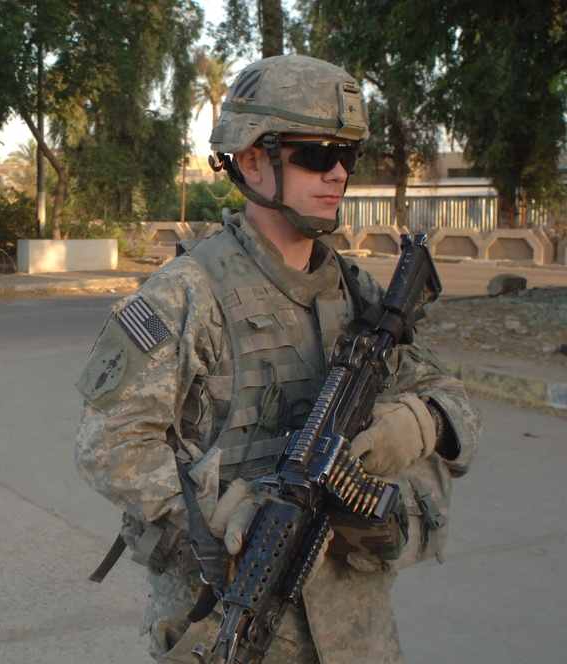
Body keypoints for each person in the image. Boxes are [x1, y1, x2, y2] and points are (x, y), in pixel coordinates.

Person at [74, 55, 481, 664]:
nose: (339, 173)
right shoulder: (185, 294)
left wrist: (419, 424)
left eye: (349, 155)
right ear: (252, 158)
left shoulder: (361, 295)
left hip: (357, 634)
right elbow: (108, 443)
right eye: (318, 154)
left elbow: (455, 404)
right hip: (229, 619)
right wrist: (210, 509)